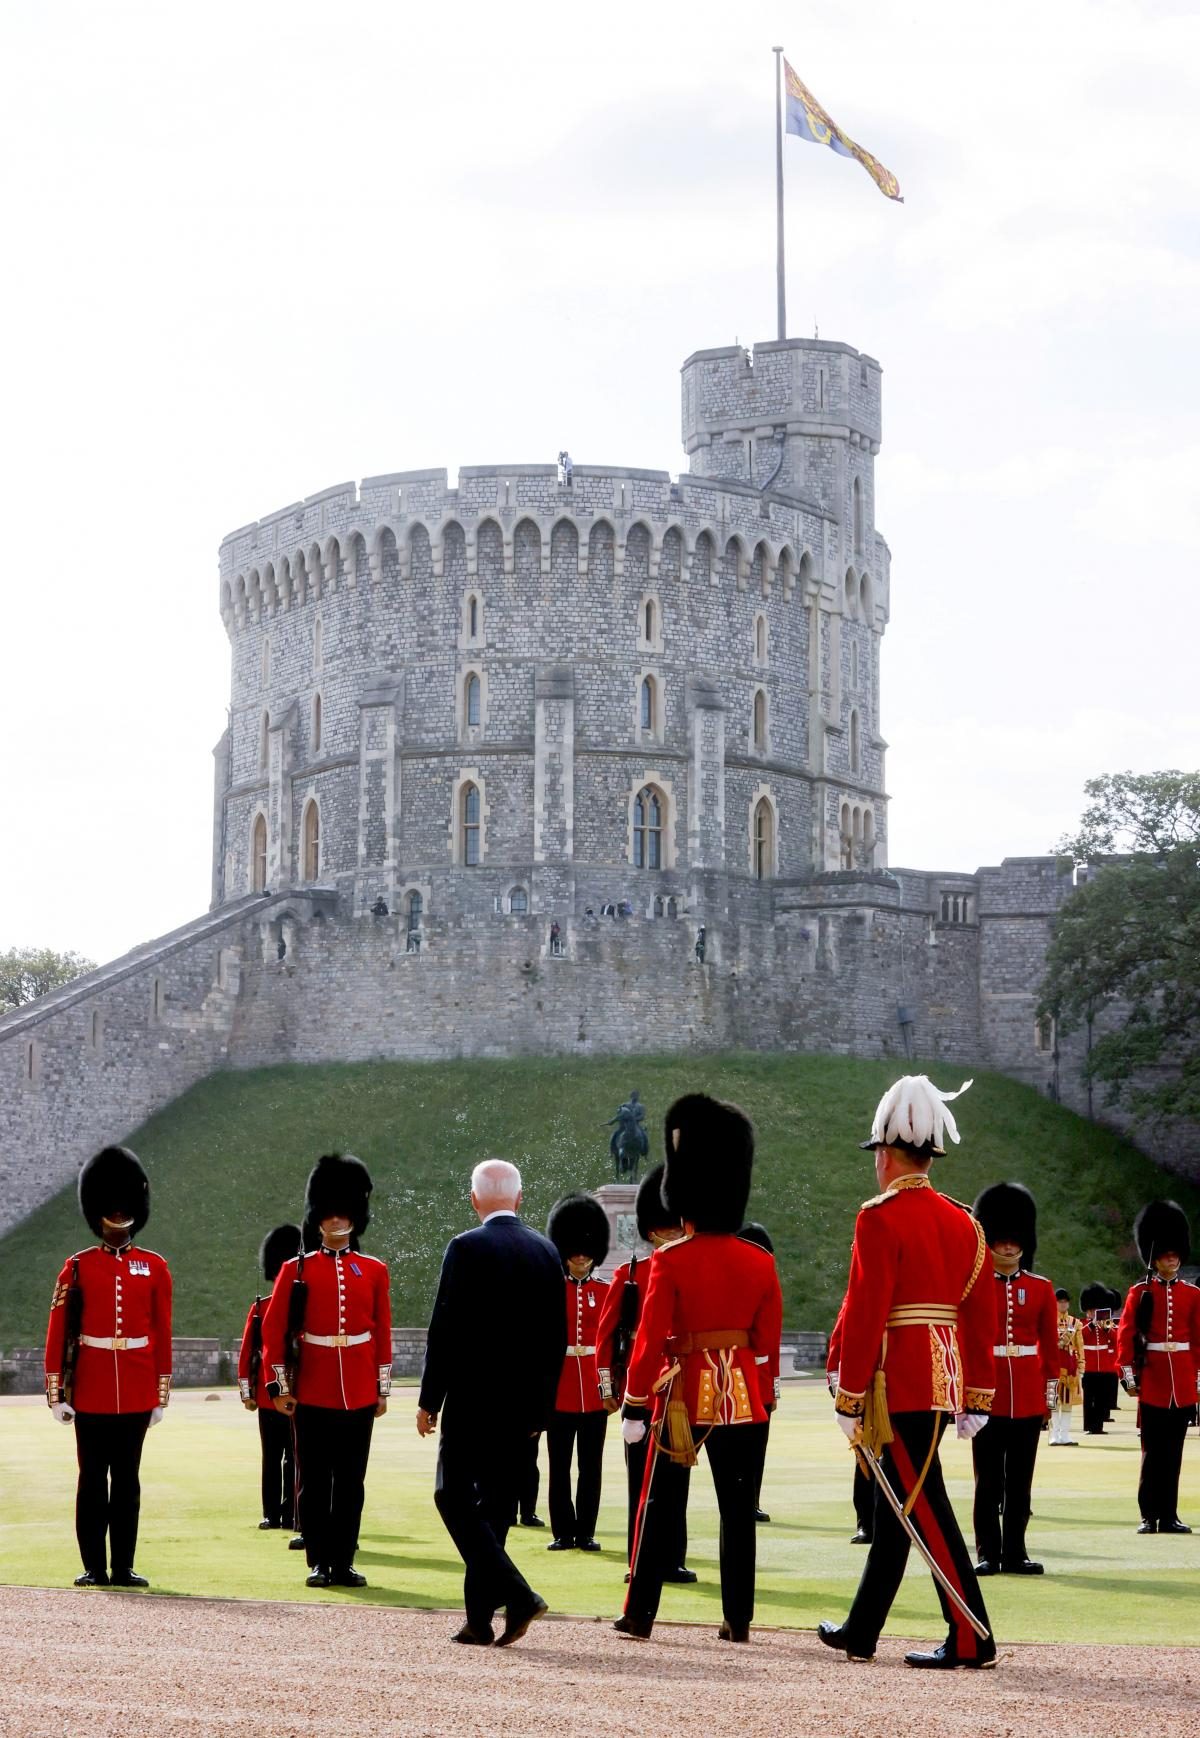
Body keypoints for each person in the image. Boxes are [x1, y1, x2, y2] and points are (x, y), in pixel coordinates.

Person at [818, 1075, 997, 1670]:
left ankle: (973, 1634)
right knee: (899, 1506)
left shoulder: (880, 1217)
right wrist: (976, 1392)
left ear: (887, 1156)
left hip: (898, 1380)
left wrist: (849, 1395)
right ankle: (862, 1630)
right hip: (942, 1377)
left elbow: (867, 1309)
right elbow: (978, 1312)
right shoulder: (963, 1220)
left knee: (924, 1506)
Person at [615, 1093, 782, 1644]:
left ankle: (640, 1613)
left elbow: (647, 1340)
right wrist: (762, 1394)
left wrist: (636, 1403)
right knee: (738, 1514)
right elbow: (766, 1344)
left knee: (660, 1507)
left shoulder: (670, 1259)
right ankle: (738, 1619)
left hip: (684, 1396)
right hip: (743, 1399)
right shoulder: (760, 1261)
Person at [417, 1159, 566, 1646]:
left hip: (471, 1401)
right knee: (496, 1510)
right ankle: (479, 1620)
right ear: (519, 1199)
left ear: (474, 1199)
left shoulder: (465, 1247)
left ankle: (517, 1596)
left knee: (452, 1497)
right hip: (523, 1409)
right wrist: (542, 1411)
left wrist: (429, 1399)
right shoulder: (547, 1251)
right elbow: (555, 1341)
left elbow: (446, 1330)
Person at [44, 1145, 173, 1589]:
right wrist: (56, 1391)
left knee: (128, 1485)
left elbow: (161, 1332)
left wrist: (159, 1395)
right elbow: (58, 1332)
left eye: (124, 1208)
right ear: (96, 1212)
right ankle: (93, 1566)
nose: (118, 1216)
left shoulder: (154, 1267)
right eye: (109, 1209)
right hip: (93, 1389)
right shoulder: (77, 1268)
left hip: (136, 1389)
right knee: (92, 1482)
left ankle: (123, 1566)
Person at [262, 1154, 392, 1589]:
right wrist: (279, 1385)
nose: (337, 1220)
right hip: (313, 1389)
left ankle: (344, 1560)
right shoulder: (295, 1269)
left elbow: (382, 1332)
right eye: (329, 1213)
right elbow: (274, 1331)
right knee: (314, 1482)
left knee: (351, 1482)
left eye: (345, 1212)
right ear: (316, 1219)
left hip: (357, 1388)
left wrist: (382, 1389)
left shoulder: (373, 1270)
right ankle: (319, 1560)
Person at [595, 1162, 694, 1582]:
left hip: (682, 1390)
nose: (675, 1232)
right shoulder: (629, 1274)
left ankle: (672, 1558)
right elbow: (607, 1334)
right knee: (643, 1482)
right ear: (654, 1230)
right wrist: (608, 1386)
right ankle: (640, 1560)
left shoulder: (689, 1268)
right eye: (668, 1227)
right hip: (643, 1389)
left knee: (678, 1481)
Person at [969, 1182, 1057, 1576]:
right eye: (1000, 1242)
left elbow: (1050, 1348)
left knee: (1020, 1483)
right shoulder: (973, 1288)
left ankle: (1016, 1552)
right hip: (986, 1393)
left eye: (1012, 1242)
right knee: (987, 1481)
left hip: (1026, 1396)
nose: (1006, 1249)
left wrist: (1049, 1394)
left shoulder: (1040, 1289)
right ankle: (988, 1551)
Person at [1117, 1199, 1199, 1535]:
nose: (1172, 1258)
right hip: (1152, 1379)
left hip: (1180, 1380)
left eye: (1175, 1253)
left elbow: (1197, 1340)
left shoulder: (1193, 1295)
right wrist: (1128, 1375)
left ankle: (1170, 1514)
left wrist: (1197, 1380)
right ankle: (1148, 1514)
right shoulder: (1140, 1293)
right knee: (1152, 1453)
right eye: (1166, 1253)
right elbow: (1125, 1335)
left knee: (1174, 1454)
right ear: (1154, 1256)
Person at [544, 1192, 610, 1552]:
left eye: (587, 1250)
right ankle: (562, 1531)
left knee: (591, 1466)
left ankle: (586, 1530)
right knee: (560, 1466)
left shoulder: (605, 1291)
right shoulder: (551, 1290)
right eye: (575, 1249)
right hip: (560, 1387)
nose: (581, 1257)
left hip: (594, 1389)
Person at [238, 1223, 302, 1530]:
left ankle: (292, 1511)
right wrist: (247, 1392)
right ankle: (271, 1513)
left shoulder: (302, 1307)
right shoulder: (261, 1307)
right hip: (267, 1393)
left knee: (295, 1457)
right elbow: (249, 1351)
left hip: (301, 1392)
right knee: (272, 1456)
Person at [738, 1222, 781, 1523]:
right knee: (740, 1445)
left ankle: (752, 1499)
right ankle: (742, 1499)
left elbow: (774, 1340)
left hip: (762, 1376)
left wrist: (774, 1387)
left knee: (758, 1446)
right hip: (740, 1373)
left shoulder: (768, 1280)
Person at [827, 1290, 873, 1544]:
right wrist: (838, 1382)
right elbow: (840, 1339)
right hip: (867, 1387)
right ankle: (866, 1522)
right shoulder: (857, 1296)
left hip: (900, 1384)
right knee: (865, 1457)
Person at [1080, 1283, 1119, 1435]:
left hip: (1104, 1367)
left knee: (1102, 1399)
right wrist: (1091, 1325)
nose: (1094, 1312)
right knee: (1089, 1399)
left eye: (1096, 1309)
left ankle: (1098, 1426)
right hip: (1089, 1366)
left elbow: (1116, 1339)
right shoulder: (1083, 1324)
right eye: (1091, 1310)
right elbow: (1080, 1336)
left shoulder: (1107, 1323)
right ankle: (1089, 1425)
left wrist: (1107, 1328)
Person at [1049, 1289, 1084, 1446]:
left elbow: (1080, 1347)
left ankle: (1065, 1434)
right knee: (1054, 1401)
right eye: (1060, 1301)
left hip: (1070, 1367)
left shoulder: (1075, 1323)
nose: (1062, 1304)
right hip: (1053, 1366)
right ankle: (1054, 1435)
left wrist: (1081, 1367)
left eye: (1065, 1301)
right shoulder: (1048, 1321)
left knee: (1068, 1402)